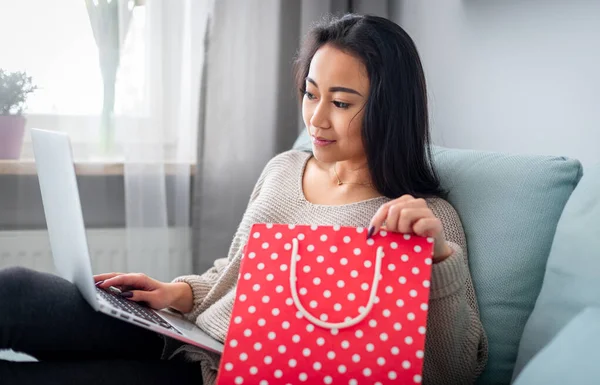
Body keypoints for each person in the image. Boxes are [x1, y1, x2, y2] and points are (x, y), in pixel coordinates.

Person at [0, 14, 487, 385]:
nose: (316, 119)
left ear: (388, 109)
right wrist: (178, 292)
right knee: (16, 289)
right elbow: (232, 276)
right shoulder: (283, 169)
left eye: (340, 103)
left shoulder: (422, 220)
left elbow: (454, 372)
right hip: (183, 335)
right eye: (310, 93)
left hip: (217, 374)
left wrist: (438, 257)